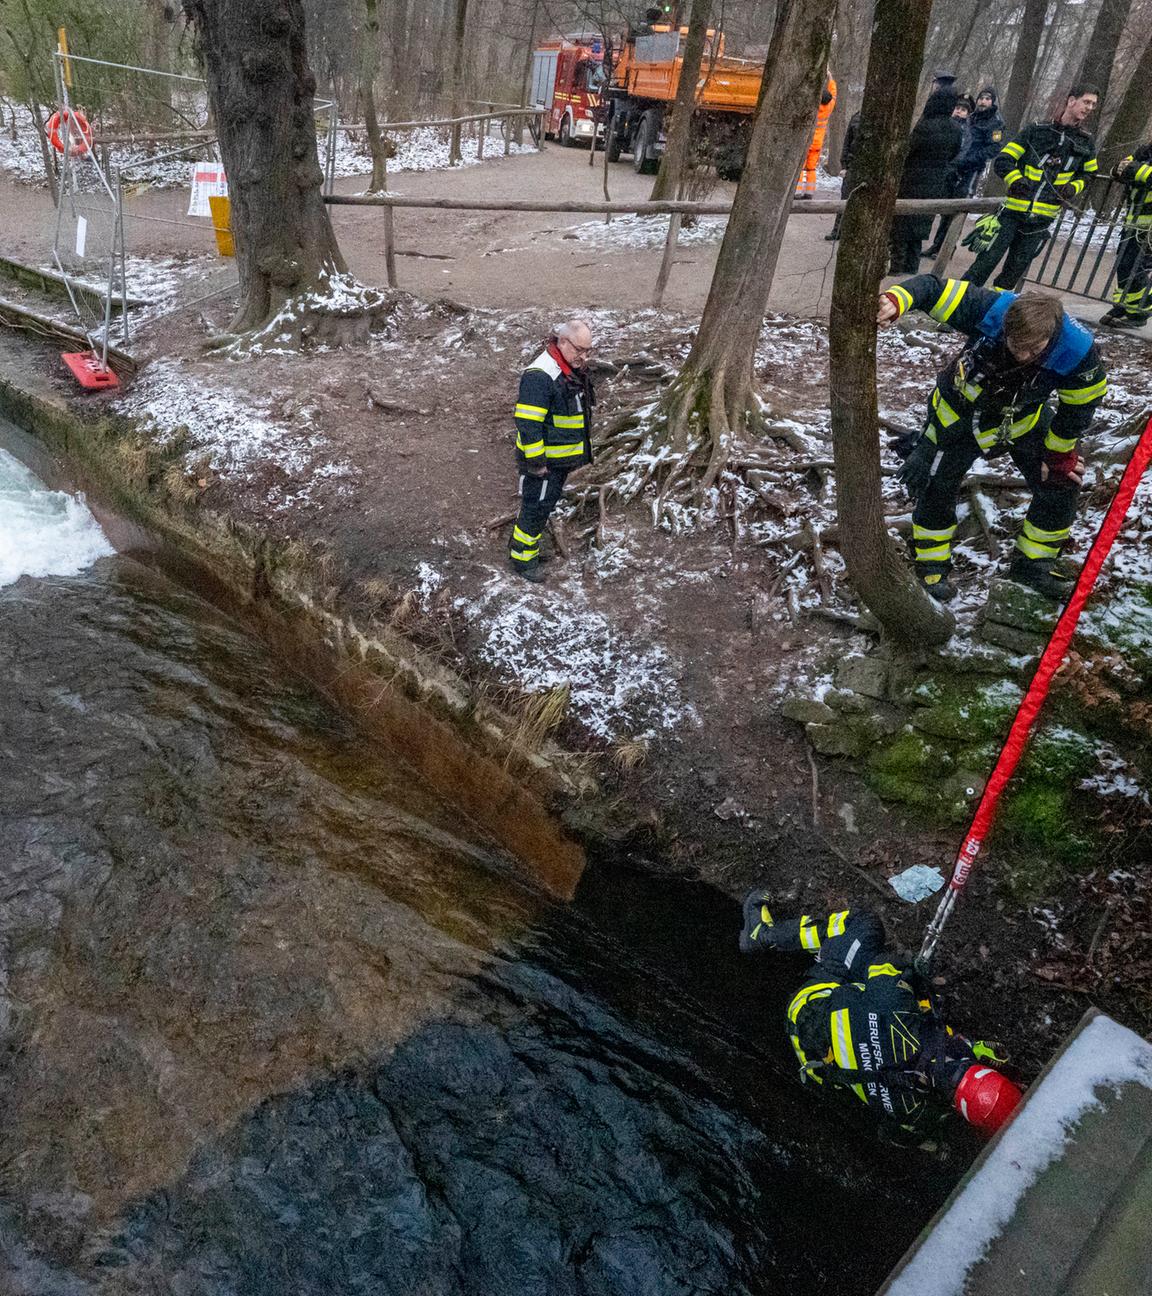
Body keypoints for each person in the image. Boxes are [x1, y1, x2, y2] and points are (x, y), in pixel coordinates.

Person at [878, 277, 1106, 602]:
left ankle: (1033, 564)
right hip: (957, 415)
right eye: (1016, 346)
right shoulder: (990, 308)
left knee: (1062, 482)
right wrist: (896, 300)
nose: (1024, 355)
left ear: (1051, 337)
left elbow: (1081, 404)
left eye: (1035, 349)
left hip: (1021, 420)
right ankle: (931, 566)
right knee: (936, 486)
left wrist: (1059, 455)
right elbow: (932, 289)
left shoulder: (1078, 351)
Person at [739, 898, 1022, 1137]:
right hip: (815, 1062)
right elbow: (893, 1133)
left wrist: (910, 968)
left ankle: (763, 935)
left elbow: (881, 967)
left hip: (809, 1004)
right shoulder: (924, 1116)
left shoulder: (899, 1014)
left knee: (863, 924)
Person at [963, 85, 1099, 290]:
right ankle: (957, 304)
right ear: (1071, 101)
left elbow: (1090, 175)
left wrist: (1073, 187)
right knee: (984, 264)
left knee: (1012, 275)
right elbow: (1004, 159)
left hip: (1041, 221)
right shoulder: (1036, 130)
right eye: (1086, 102)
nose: (1089, 108)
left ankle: (993, 314)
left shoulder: (1086, 143)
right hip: (1011, 214)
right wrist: (1016, 180)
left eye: (1093, 105)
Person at [509, 320, 596, 583]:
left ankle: (528, 549)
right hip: (543, 463)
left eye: (588, 351)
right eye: (580, 350)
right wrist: (536, 462)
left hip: (557, 461)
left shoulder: (566, 368)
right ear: (563, 342)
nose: (584, 357)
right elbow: (528, 422)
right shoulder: (540, 375)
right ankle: (523, 560)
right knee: (535, 507)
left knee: (543, 506)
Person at [889, 89, 963, 274]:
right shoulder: (955, 128)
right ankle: (912, 266)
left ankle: (897, 264)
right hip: (937, 180)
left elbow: (909, 149)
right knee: (921, 222)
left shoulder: (924, 126)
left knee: (902, 222)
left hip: (913, 178)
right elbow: (955, 152)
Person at [925, 88, 1005, 258]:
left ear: (993, 101)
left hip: (972, 170)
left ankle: (947, 248)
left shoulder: (996, 123)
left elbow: (994, 148)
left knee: (959, 208)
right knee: (947, 207)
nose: (983, 101)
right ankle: (937, 245)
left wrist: (973, 159)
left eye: (987, 99)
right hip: (956, 167)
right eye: (981, 98)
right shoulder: (972, 117)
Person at [1100, 142, 1152, 329]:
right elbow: (1117, 169)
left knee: (1134, 265)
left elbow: (1135, 171)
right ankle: (1125, 306)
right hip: (1134, 221)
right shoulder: (1145, 151)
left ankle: (1140, 311)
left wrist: (1134, 170)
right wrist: (1134, 170)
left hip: (1148, 226)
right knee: (1124, 264)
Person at [796, 75, 837, 200]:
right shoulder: (830, 105)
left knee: (801, 167)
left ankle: (797, 192)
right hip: (818, 142)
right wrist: (830, 78)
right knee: (811, 168)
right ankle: (809, 192)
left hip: (807, 139)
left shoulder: (813, 106)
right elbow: (834, 92)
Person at [825, 109, 860, 241]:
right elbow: (847, 141)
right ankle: (837, 230)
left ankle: (854, 232)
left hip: (866, 167)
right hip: (851, 166)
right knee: (845, 198)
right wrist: (844, 164)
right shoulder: (856, 116)